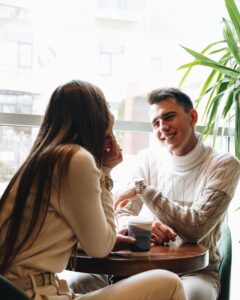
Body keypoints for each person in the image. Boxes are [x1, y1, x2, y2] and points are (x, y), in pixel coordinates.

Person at [0, 80, 187, 300]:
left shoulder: (43, 158)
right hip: (35, 293)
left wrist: (110, 234)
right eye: (104, 106)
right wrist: (106, 171)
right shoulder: (78, 159)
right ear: (92, 115)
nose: (110, 112)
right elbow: (102, 245)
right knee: (169, 283)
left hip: (19, 290)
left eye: (168, 117)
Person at [114, 87, 240, 300]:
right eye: (155, 123)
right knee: (84, 283)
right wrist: (143, 227)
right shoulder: (147, 159)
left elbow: (196, 228)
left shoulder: (225, 164)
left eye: (169, 117)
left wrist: (143, 190)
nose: (162, 127)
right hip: (145, 268)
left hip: (196, 273)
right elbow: (119, 212)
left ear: (192, 117)